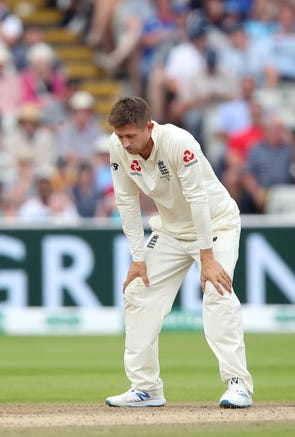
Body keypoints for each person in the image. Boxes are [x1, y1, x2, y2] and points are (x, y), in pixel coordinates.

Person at [104, 96, 253, 409]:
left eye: (131, 135)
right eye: (120, 136)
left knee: (217, 290)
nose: (125, 143)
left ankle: (238, 385)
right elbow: (126, 202)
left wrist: (207, 257)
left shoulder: (179, 142)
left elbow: (197, 199)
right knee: (137, 292)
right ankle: (146, 388)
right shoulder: (117, 146)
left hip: (216, 226)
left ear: (149, 127)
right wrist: (138, 258)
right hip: (170, 231)